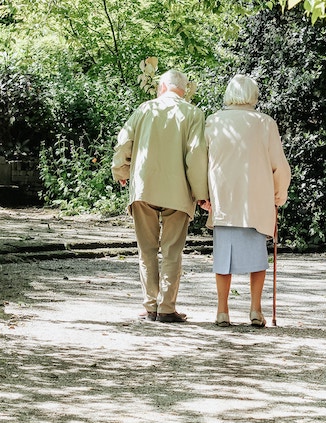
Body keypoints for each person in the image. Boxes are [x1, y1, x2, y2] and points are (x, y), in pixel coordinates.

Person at [112, 69, 209, 323]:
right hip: (178, 192)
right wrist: (201, 194)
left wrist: (121, 170)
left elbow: (124, 142)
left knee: (146, 250)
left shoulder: (144, 109)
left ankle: (150, 306)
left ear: (162, 87)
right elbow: (196, 155)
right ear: (184, 90)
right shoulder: (194, 114)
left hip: (144, 188)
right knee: (172, 251)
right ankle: (166, 308)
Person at [203, 74, 291, 327]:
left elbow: (202, 162)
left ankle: (222, 311)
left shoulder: (214, 122)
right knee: (257, 258)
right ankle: (255, 310)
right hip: (256, 200)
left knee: (223, 258)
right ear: (253, 95)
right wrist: (278, 195)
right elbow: (280, 166)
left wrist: (203, 195)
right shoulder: (265, 123)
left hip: (224, 199)